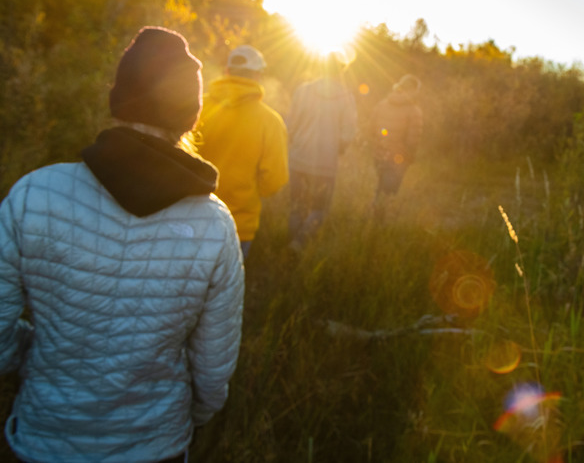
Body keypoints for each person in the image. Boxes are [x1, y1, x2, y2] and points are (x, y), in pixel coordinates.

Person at [0, 26, 244, 463]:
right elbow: (212, 371)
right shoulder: (215, 225)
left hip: (41, 437)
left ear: (118, 97)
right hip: (155, 444)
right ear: (191, 115)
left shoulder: (33, 194)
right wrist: (194, 417)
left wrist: (34, 358)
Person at [197, 44, 289, 259]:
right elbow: (274, 180)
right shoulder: (270, 121)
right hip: (238, 226)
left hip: (191, 216)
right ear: (258, 76)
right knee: (225, 291)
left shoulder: (198, 106)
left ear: (227, 71)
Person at [286, 52, 357, 252]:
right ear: (341, 70)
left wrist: (294, 142)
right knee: (319, 208)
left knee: (297, 206)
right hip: (325, 164)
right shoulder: (346, 97)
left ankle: (290, 242)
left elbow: (291, 124)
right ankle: (299, 244)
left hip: (298, 158)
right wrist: (338, 149)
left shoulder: (303, 90)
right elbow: (348, 133)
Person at [369, 74, 423, 219]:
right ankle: (379, 221)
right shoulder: (414, 111)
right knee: (389, 191)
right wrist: (409, 156)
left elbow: (372, 128)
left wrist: (378, 145)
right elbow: (413, 140)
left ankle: (375, 219)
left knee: (381, 185)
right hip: (399, 157)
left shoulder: (382, 104)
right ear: (414, 91)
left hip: (380, 154)